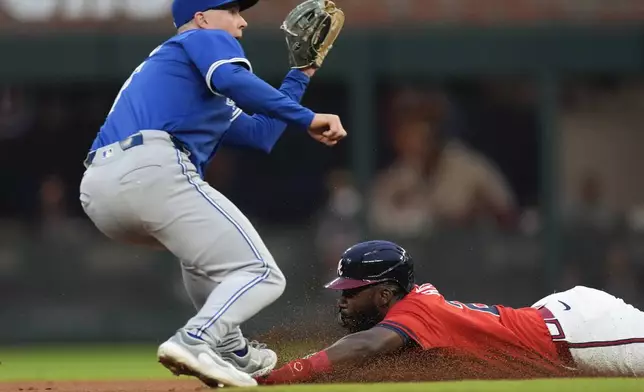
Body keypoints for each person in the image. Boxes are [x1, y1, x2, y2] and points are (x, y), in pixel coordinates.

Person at [78, 0, 346, 388]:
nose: (243, 21)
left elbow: (261, 134)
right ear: (201, 17)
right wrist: (307, 117)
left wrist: (301, 73)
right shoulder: (202, 39)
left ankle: (232, 350)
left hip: (103, 192)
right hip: (151, 168)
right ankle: (195, 338)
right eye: (233, 11)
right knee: (262, 273)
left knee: (203, 258)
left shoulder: (184, 76)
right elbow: (233, 81)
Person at [256, 240, 644, 385]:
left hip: (580, 333)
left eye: (352, 291)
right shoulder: (411, 308)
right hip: (557, 317)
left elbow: (362, 347)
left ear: (385, 293)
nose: (342, 299)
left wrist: (282, 375)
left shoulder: (416, 315)